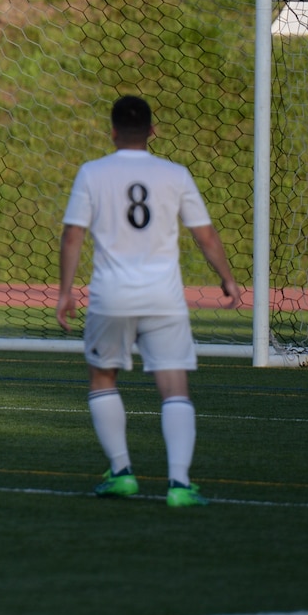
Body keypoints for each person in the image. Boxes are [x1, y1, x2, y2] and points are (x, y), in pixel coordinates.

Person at [55, 95, 241, 509]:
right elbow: (205, 235)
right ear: (153, 132)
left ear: (113, 132)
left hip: (110, 296)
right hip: (163, 297)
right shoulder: (174, 174)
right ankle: (179, 483)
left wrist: (66, 292)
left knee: (103, 378)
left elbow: (72, 236)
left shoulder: (92, 173)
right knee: (174, 387)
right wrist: (226, 279)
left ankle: (121, 472)